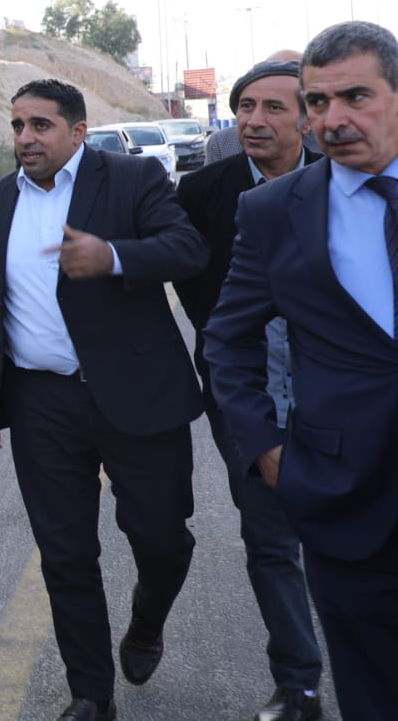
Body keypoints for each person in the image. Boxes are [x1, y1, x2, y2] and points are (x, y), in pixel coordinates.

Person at [0, 79, 208, 721]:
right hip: (40, 401)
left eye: (41, 125)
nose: (25, 138)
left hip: (136, 393)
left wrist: (113, 257)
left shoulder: (130, 179)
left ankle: (147, 620)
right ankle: (91, 693)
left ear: (77, 131)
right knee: (66, 553)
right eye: (17, 125)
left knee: (161, 538)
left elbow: (188, 248)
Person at [206, 22, 398, 721]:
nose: (333, 119)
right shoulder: (271, 212)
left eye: (355, 97)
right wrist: (266, 448)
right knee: (372, 690)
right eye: (318, 102)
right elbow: (227, 340)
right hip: (343, 497)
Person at [175, 59, 324, 721]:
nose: (254, 120)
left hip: (335, 395)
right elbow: (188, 277)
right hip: (244, 394)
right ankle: (299, 683)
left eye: (272, 108)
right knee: (269, 538)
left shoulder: (344, 183)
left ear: (306, 120)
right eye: (244, 107)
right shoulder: (203, 190)